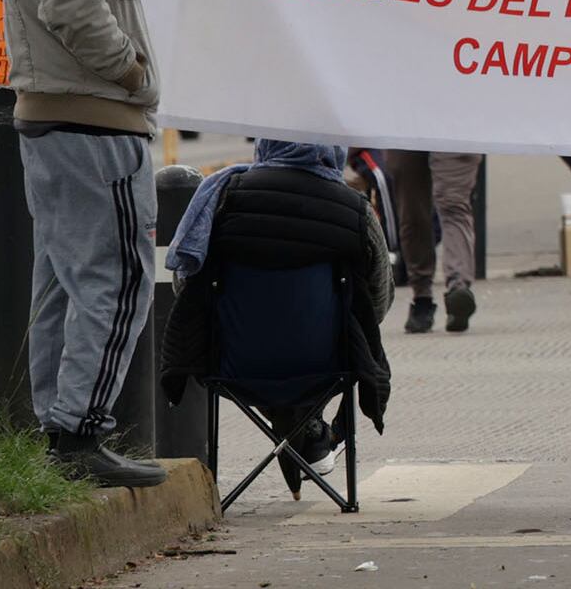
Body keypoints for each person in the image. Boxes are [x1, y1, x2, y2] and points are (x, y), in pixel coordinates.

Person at [0, 0, 163, 488]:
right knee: (119, 275)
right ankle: (78, 433)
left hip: (68, 120)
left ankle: (59, 431)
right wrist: (129, 73)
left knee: (64, 284)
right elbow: (73, 4)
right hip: (91, 122)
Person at [160, 140, 392, 479]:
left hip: (233, 362)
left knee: (261, 331)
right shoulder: (353, 208)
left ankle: (299, 423)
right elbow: (378, 303)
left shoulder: (221, 198)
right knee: (323, 331)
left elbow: (185, 287)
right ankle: (307, 424)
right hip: (327, 365)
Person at [385, 150, 485, 330]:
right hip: (408, 129)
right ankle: (451, 287)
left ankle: (434, 296)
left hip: (442, 127)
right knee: (418, 211)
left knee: (441, 207)